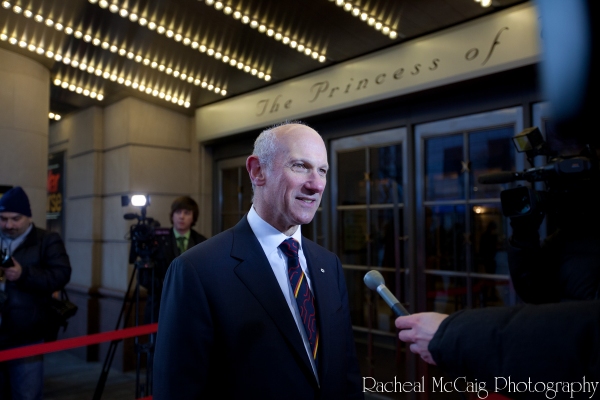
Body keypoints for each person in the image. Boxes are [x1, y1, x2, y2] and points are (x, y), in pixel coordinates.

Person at [153, 122, 363, 399]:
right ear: (257, 171)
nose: (316, 184)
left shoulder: (329, 264)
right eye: (300, 166)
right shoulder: (196, 270)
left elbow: (346, 370)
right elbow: (178, 390)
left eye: (322, 170)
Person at [0, 186, 72, 400]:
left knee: (26, 394)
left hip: (26, 332)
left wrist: (23, 274)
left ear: (28, 216)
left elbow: (61, 275)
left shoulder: (47, 239)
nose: (9, 225)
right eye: (3, 219)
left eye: (16, 219)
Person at [139, 196, 207, 323]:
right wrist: (168, 285)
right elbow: (144, 278)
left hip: (191, 309)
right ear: (172, 215)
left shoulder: (202, 242)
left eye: (186, 213)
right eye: (178, 212)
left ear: (193, 217)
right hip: (159, 307)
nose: (181, 216)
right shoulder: (156, 241)